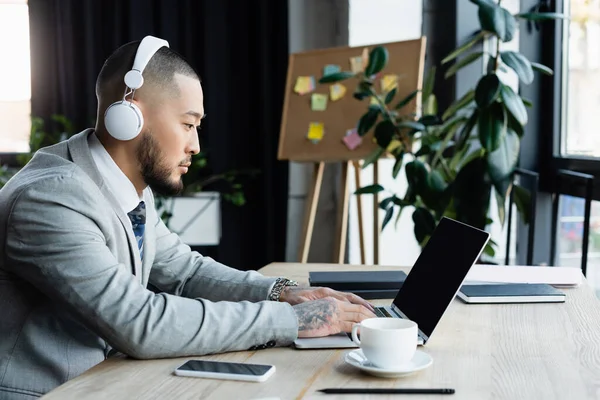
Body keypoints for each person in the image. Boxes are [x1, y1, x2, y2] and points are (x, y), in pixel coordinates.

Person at [0, 36, 375, 399]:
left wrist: (283, 293)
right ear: (129, 116)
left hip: (105, 382)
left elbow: (187, 272)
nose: (195, 144)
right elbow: (138, 323)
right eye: (188, 123)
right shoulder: (50, 198)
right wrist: (295, 321)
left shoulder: (126, 186)